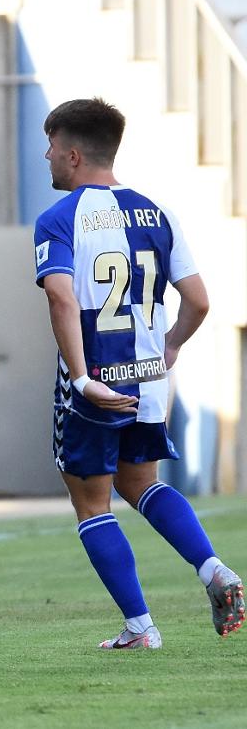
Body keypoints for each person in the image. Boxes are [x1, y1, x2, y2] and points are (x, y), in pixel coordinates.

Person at [33, 97, 244, 649]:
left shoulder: (59, 218)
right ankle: (215, 570)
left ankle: (140, 626)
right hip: (149, 379)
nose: (46, 157)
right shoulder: (157, 212)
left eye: (51, 147)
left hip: (96, 384)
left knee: (92, 503)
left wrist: (80, 379)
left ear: (73, 154)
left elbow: (60, 296)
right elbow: (197, 300)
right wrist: (170, 347)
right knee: (140, 483)